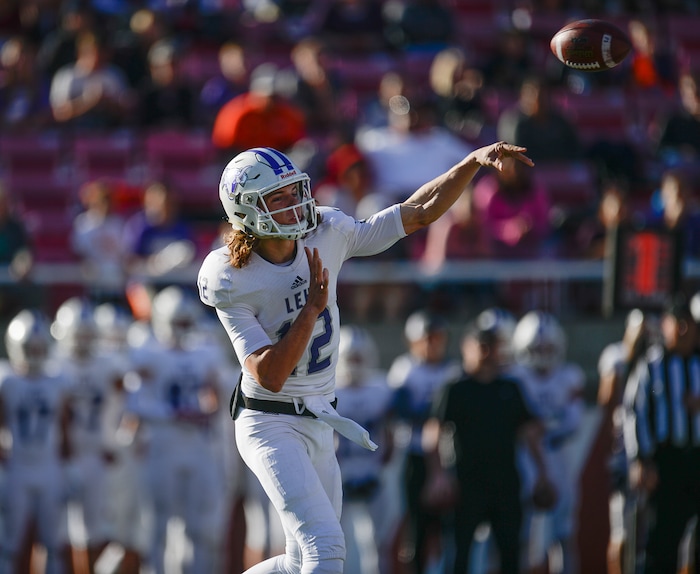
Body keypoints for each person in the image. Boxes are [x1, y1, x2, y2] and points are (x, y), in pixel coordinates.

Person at [196, 141, 534, 573]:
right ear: (246, 212)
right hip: (269, 420)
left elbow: (418, 211)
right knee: (326, 549)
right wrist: (311, 311)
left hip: (318, 417)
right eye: (276, 199)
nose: (294, 204)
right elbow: (270, 375)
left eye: (292, 191)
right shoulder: (232, 275)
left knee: (301, 560)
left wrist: (470, 164)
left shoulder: (325, 232)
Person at [421, 314, 554, 574]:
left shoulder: (511, 388)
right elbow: (433, 430)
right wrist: (437, 475)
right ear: (466, 347)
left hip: (505, 481)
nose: (486, 351)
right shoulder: (456, 388)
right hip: (466, 481)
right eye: (480, 345)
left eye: (491, 345)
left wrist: (542, 473)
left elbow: (529, 433)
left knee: (510, 552)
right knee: (460, 551)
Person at [622, 295, 700, 574]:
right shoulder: (651, 366)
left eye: (688, 323)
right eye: (676, 323)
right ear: (664, 325)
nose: (682, 330)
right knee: (663, 541)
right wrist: (640, 459)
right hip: (668, 462)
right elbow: (633, 412)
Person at [386, 310, 462, 573]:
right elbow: (401, 409)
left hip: (448, 458)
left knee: (448, 529)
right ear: (413, 341)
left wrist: (435, 415)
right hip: (415, 454)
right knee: (417, 526)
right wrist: (435, 414)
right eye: (427, 338)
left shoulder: (453, 370)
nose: (432, 344)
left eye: (437, 338)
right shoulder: (405, 369)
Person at [511, 310, 586, 574]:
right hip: (524, 458)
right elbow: (518, 426)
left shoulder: (569, 376)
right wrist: (545, 424)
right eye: (536, 347)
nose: (542, 353)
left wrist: (541, 427)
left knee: (563, 530)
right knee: (519, 529)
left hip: (558, 455)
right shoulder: (515, 377)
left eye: (547, 347)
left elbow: (574, 422)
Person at [0, 309, 72, 574]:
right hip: (18, 467)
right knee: (10, 544)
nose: (35, 353)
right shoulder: (6, 380)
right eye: (30, 347)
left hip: (49, 466)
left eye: (40, 348)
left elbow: (65, 427)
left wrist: (69, 465)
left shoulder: (58, 380)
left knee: (54, 543)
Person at [334, 325, 395, 574]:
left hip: (372, 470)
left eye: (359, 357)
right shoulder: (330, 390)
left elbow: (390, 433)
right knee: (339, 543)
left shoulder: (381, 388)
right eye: (351, 358)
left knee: (378, 543)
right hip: (341, 472)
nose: (355, 363)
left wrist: (384, 465)